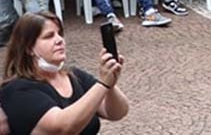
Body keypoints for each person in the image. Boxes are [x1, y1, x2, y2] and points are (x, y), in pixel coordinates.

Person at [0, 11, 129, 134]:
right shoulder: (17, 90)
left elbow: (117, 113)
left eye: (59, 34)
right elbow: (64, 127)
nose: (59, 40)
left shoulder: (75, 76)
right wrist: (103, 84)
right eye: (49, 36)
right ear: (29, 48)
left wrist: (111, 85)